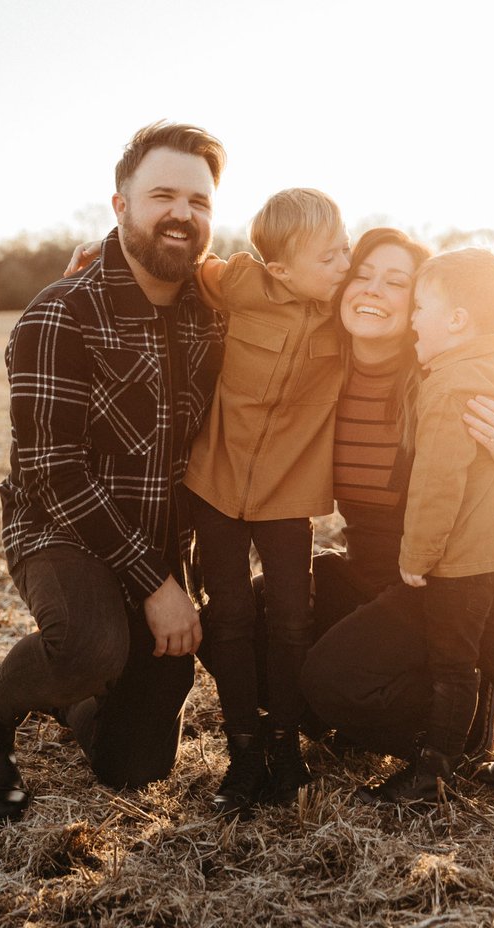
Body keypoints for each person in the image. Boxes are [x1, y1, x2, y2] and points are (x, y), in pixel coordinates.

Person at [0, 121, 227, 821]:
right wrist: (156, 584)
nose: (181, 214)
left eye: (198, 202)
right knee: (87, 641)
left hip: (158, 538)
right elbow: (52, 470)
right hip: (61, 527)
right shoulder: (60, 313)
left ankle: (75, 690)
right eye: (162, 195)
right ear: (120, 206)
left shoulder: (214, 314)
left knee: (135, 767)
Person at [316, 246, 494, 810]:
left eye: (419, 304)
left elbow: (437, 484)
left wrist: (418, 557)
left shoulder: (447, 386)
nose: (410, 317)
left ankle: (432, 773)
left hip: (462, 556)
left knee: (454, 664)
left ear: (456, 320)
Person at [184, 188, 350, 816]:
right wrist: (98, 257)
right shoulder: (243, 283)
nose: (344, 264)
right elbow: (186, 269)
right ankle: (244, 750)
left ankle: (285, 744)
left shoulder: (346, 311)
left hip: (291, 493)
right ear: (280, 269)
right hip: (216, 483)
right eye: (329, 257)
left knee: (291, 618)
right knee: (226, 615)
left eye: (345, 248)